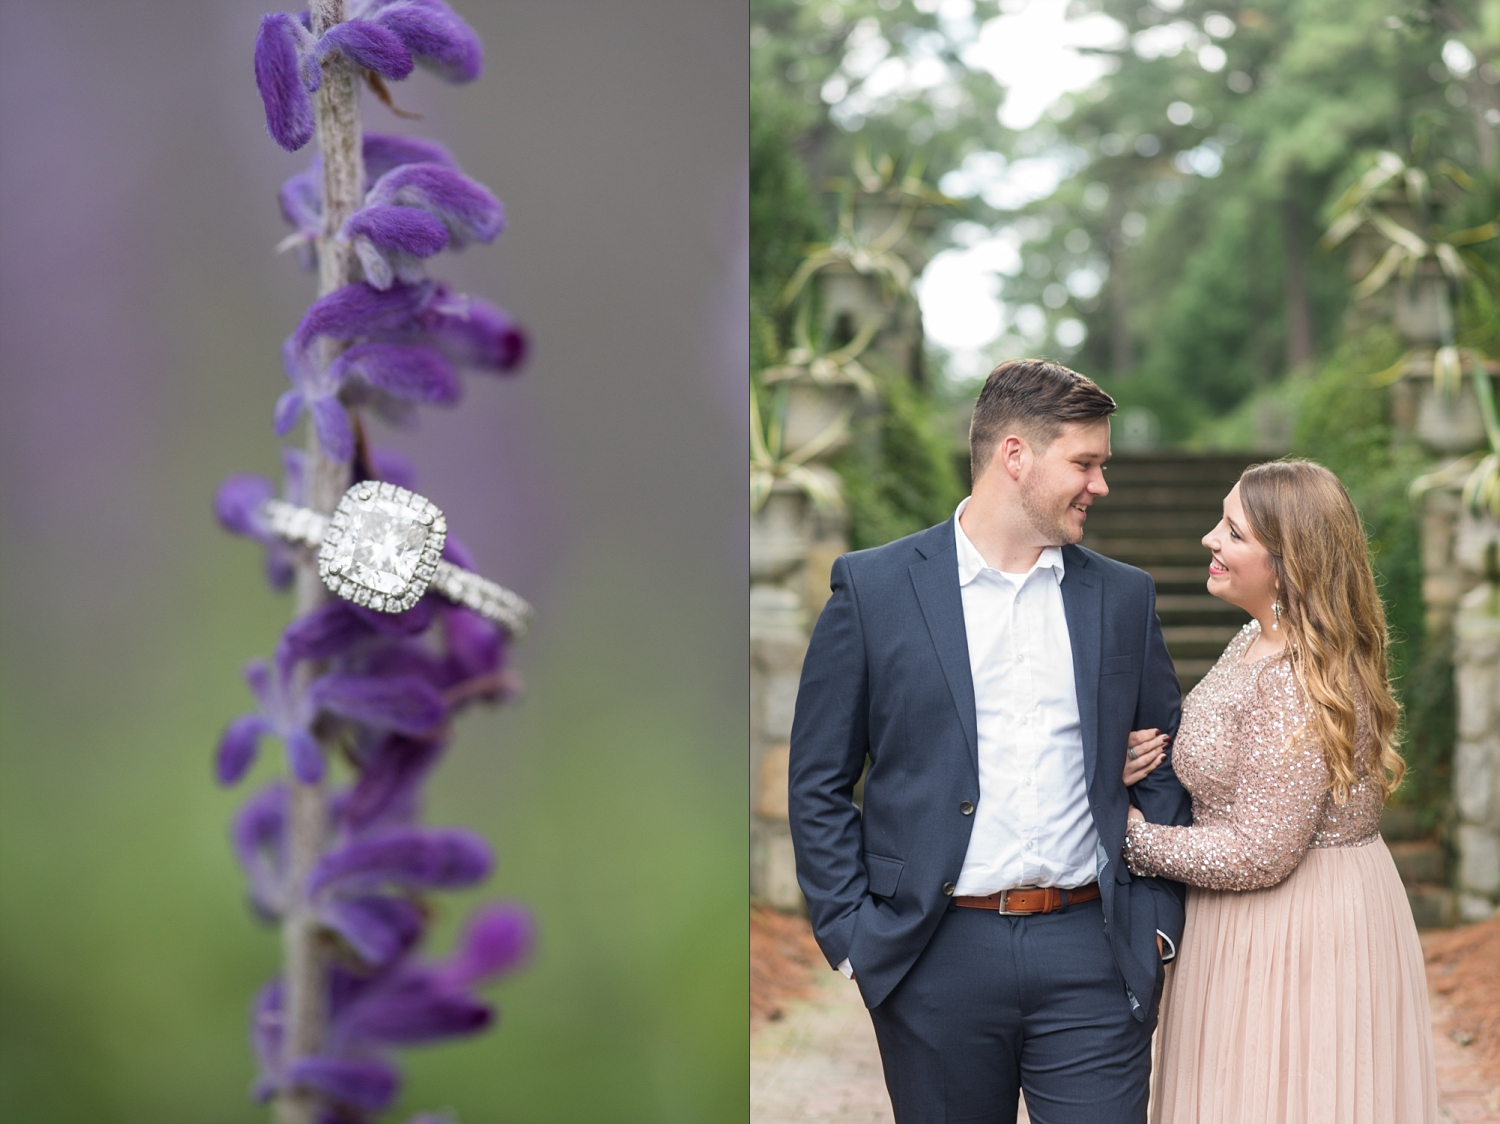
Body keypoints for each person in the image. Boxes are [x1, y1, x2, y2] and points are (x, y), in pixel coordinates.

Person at [788, 358, 1192, 1124]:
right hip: (934, 954)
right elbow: (818, 780)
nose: (1100, 485)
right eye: (1086, 463)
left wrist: (1157, 927)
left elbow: (1163, 760)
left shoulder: (1123, 597)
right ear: (1016, 456)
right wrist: (853, 937)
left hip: (1093, 953)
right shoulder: (873, 591)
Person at [1120, 459, 1438, 1124]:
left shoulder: (1294, 676)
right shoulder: (1256, 640)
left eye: (1233, 532)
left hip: (1291, 928)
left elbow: (1261, 853)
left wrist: (1127, 837)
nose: (1210, 539)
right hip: (1258, 917)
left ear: (1288, 563)